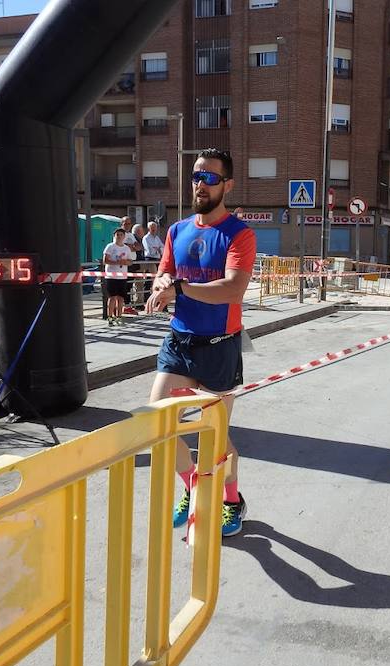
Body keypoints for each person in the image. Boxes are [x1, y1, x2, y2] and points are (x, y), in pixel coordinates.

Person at [145, 148, 256, 537]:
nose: (200, 184)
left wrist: (179, 289)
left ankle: (230, 501)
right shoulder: (176, 230)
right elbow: (164, 274)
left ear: (227, 184)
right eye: (196, 176)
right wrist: (162, 287)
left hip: (219, 346)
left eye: (209, 178)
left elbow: (233, 289)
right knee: (160, 419)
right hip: (179, 342)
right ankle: (193, 486)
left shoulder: (239, 233)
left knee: (215, 437)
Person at [102, 229, 133, 326]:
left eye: (121, 235)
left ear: (124, 237)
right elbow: (105, 260)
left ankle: (119, 316)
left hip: (122, 276)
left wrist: (125, 262)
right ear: (114, 236)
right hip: (111, 275)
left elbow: (130, 261)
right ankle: (110, 317)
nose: (119, 237)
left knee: (121, 298)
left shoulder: (126, 248)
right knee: (112, 297)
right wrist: (117, 262)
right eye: (117, 235)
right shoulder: (110, 246)